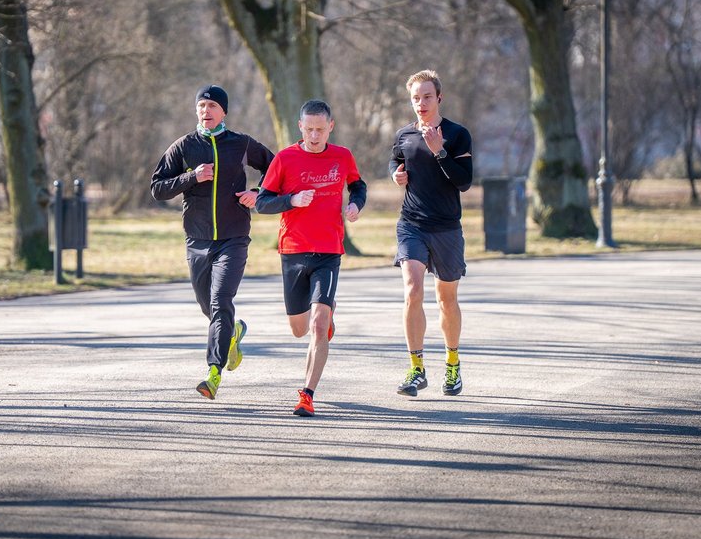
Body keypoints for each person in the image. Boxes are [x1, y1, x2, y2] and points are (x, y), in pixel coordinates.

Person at [151, 84, 274, 400]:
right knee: (210, 307)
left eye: (212, 106)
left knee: (220, 302)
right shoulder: (183, 147)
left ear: (224, 111)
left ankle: (214, 373)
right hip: (197, 241)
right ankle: (231, 333)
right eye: (201, 106)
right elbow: (158, 188)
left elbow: (275, 168)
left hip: (233, 239)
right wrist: (192, 177)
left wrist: (257, 193)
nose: (206, 111)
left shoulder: (241, 144)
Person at [256, 99, 367, 417]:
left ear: (331, 126)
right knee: (299, 329)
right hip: (292, 251)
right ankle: (325, 315)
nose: (315, 136)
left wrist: (355, 205)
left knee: (319, 327)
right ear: (300, 127)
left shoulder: (342, 156)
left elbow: (357, 186)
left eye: (321, 129)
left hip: (329, 251)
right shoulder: (285, 158)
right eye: (309, 129)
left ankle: (307, 394)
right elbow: (262, 203)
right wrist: (292, 199)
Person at [388, 69, 473, 397]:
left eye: (426, 96)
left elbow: (464, 182)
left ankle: (452, 365)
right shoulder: (404, 135)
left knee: (446, 300)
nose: (420, 103)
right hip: (412, 224)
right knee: (412, 290)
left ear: (439, 98)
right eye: (415, 98)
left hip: (447, 228)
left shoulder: (457, 134)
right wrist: (396, 176)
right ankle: (416, 368)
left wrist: (439, 151)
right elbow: (396, 163)